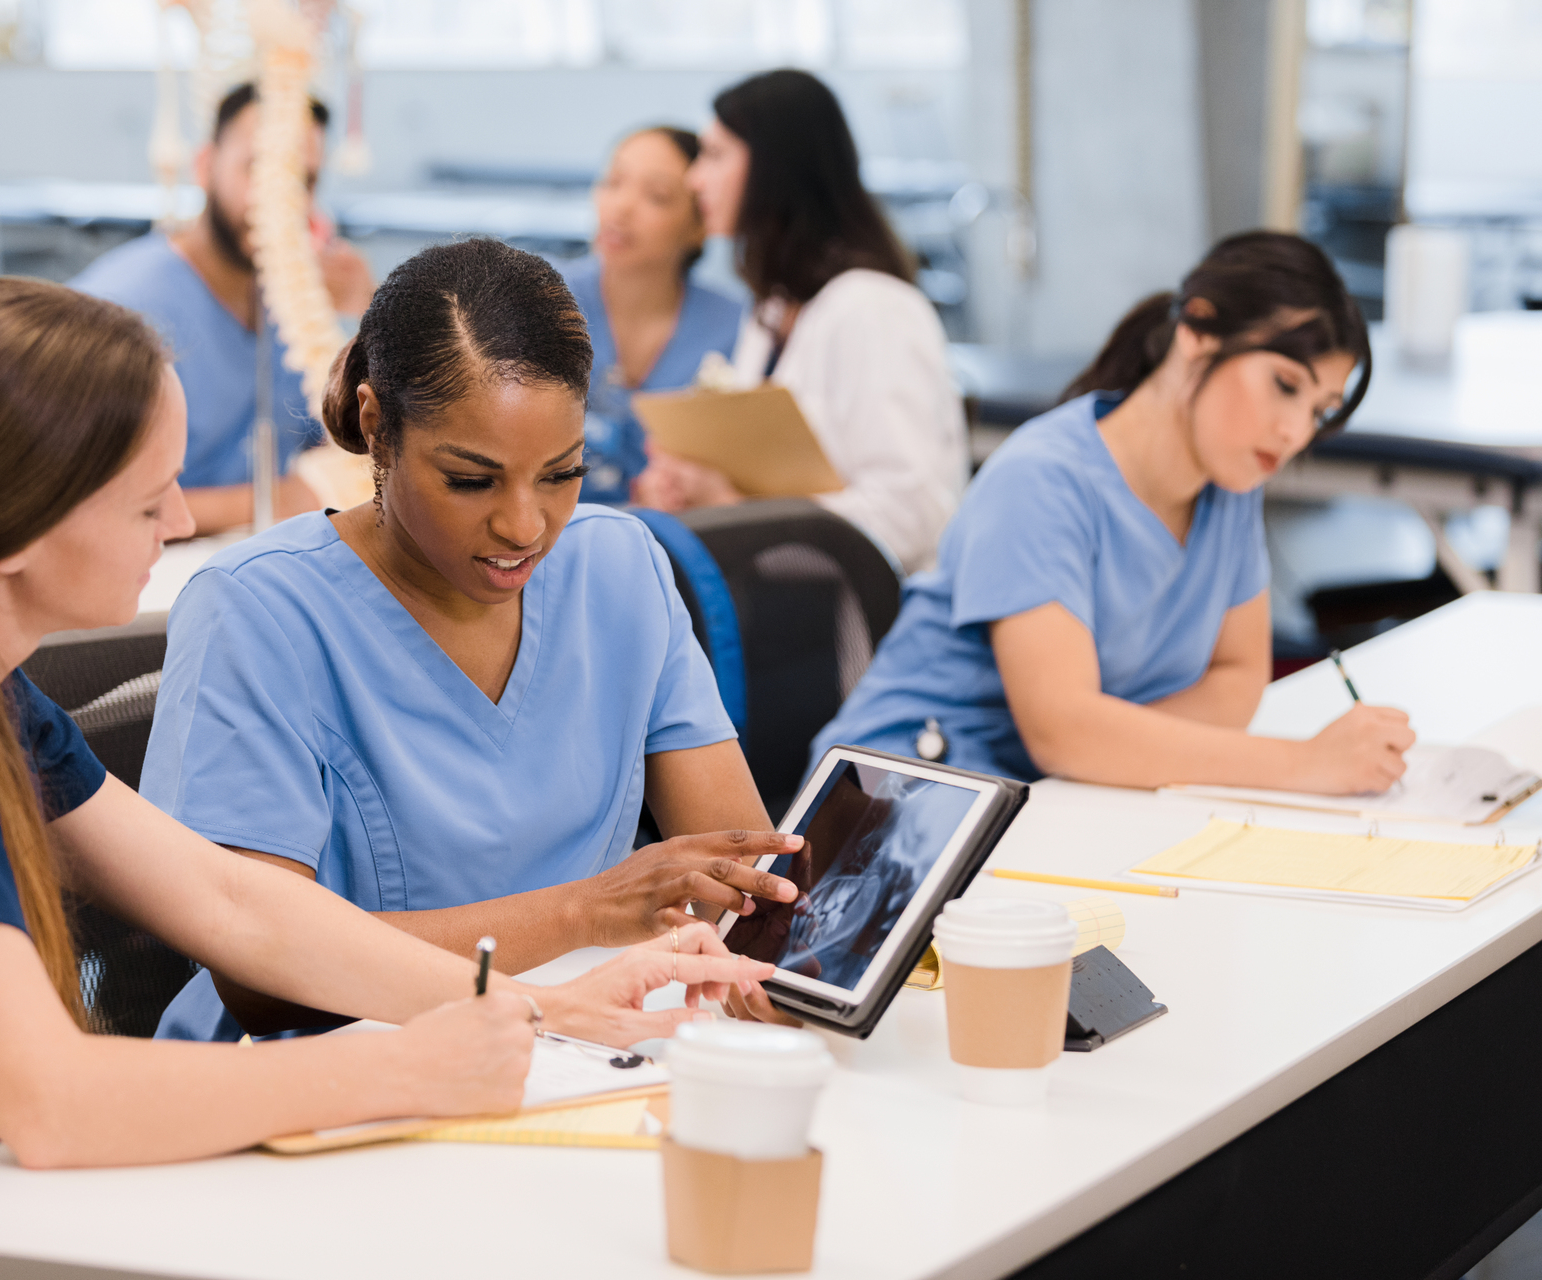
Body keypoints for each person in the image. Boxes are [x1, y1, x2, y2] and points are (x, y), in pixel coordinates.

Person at [0, 277, 773, 1277]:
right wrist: (407, 1068)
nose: (177, 524)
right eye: (148, 497)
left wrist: (540, 1007)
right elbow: (52, 1100)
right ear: (18, 523)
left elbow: (231, 899)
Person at [143, 238, 804, 1043]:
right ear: (376, 425)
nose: (524, 526)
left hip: (576, 1053)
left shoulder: (618, 567)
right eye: (470, 480)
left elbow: (735, 882)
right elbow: (265, 980)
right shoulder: (255, 611)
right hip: (326, 1082)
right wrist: (581, 914)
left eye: (562, 473)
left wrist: (778, 955)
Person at [810, 231, 1417, 794]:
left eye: (1319, 410)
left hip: (1051, 798)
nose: (1293, 432)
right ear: (1197, 332)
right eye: (1286, 385)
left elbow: (1236, 677)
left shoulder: (1231, 481)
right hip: (897, 798)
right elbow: (1062, 731)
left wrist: (1111, 749)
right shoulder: (1042, 479)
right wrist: (1304, 764)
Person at [631, 69, 968, 574]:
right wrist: (692, 485)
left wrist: (736, 512)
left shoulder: (872, 310)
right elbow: (763, 483)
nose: (694, 178)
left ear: (777, 167)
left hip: (874, 625)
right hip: (792, 609)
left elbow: (911, 515)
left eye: (716, 155)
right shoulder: (773, 309)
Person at [72, 83, 376, 536]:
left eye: (304, 181)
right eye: (258, 170)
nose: (280, 203)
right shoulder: (118, 308)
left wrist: (367, 317)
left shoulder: (301, 305)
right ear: (204, 166)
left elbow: (352, 444)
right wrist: (290, 500)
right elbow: (81, 505)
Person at [558, 127, 744, 504]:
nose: (621, 207)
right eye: (613, 182)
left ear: (701, 223)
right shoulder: (540, 300)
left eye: (656, 197)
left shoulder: (739, 330)